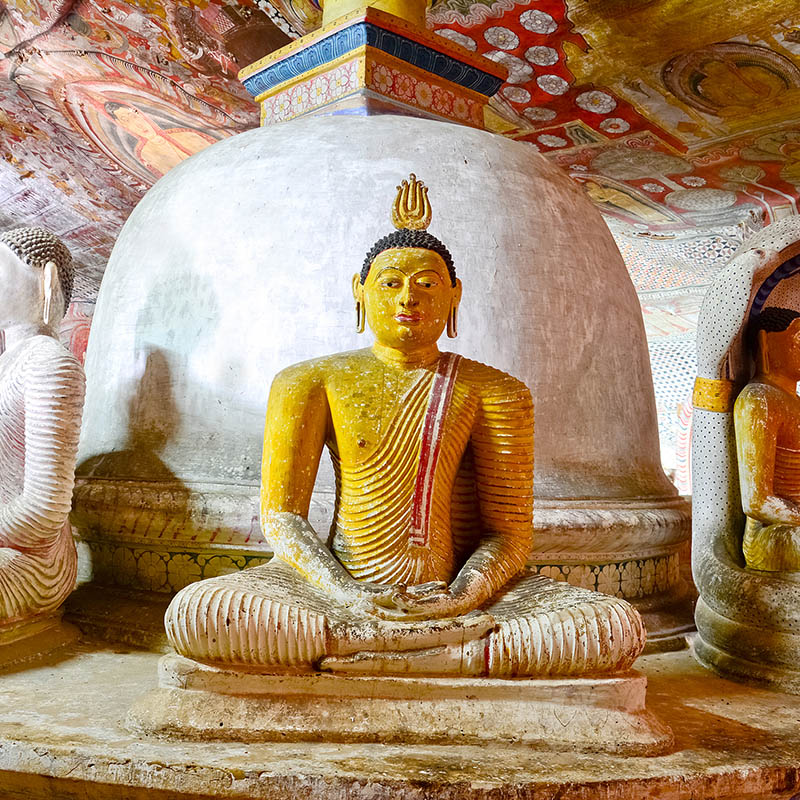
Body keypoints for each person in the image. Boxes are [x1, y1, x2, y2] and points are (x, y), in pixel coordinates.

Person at [165, 175, 645, 676]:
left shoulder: (495, 390)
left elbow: (508, 536)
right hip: (336, 588)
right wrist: (347, 594)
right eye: (390, 283)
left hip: (452, 592)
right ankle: (448, 653)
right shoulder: (310, 381)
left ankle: (371, 649)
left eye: (426, 284)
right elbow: (283, 519)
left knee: (610, 627)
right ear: (361, 289)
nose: (406, 299)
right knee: (199, 615)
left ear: (454, 294)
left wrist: (459, 597)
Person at [0, 228, 84, 631]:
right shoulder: (7, 365)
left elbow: (44, 511)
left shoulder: (52, 364)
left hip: (33, 560)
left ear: (45, 280)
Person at [735, 306, 800, 571]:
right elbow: (756, 501)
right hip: (772, 534)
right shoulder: (758, 400)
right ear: (766, 343)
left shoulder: (795, 401)